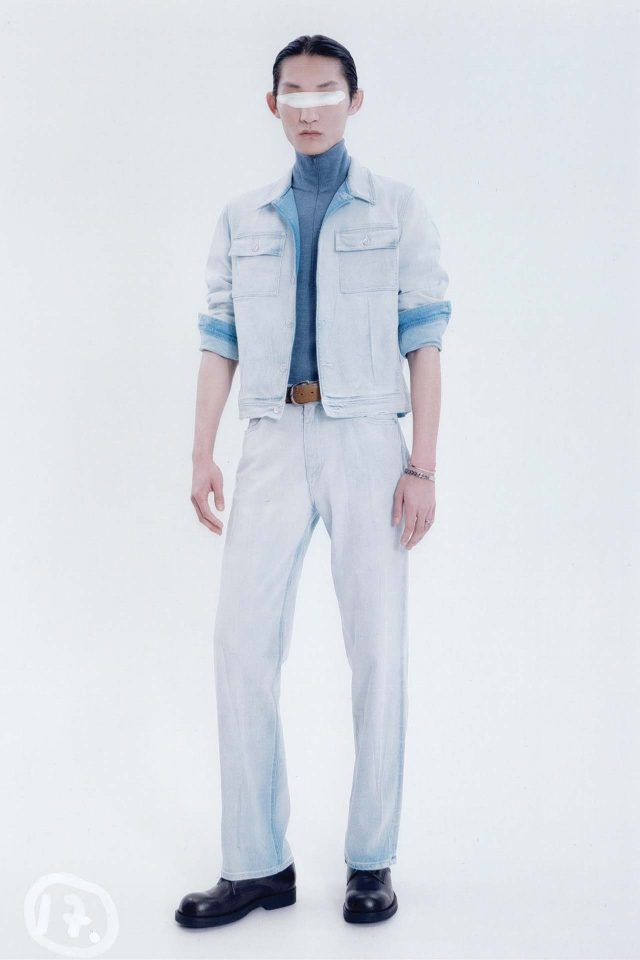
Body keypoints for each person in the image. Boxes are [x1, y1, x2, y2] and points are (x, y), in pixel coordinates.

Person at [175, 34, 452, 929]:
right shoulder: (242, 218)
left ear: (353, 100)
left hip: (367, 438)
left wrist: (422, 466)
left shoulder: (398, 208)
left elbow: (425, 341)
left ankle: (372, 860)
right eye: (292, 92)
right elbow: (219, 336)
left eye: (325, 91)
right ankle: (257, 864)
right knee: (240, 644)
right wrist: (201, 452)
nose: (308, 107)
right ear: (273, 105)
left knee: (377, 649)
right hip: (269, 437)